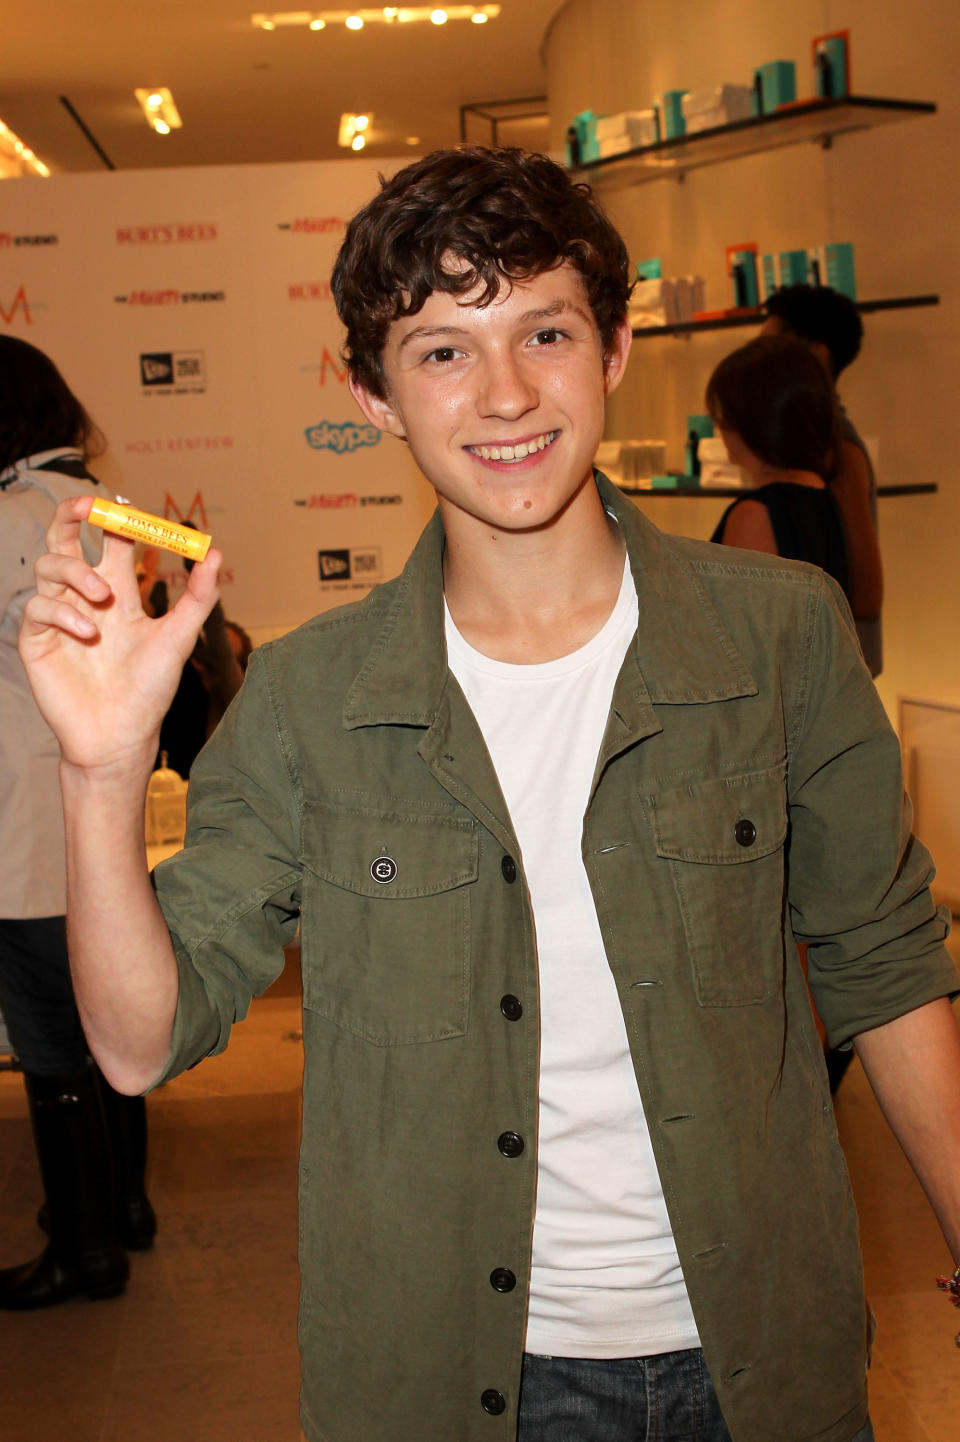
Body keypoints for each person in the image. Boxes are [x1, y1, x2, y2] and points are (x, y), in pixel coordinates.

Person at [17, 148, 960, 1442]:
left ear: (615, 347)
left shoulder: (778, 639)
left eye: (545, 330)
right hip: (454, 1381)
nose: (506, 392)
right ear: (375, 392)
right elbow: (135, 1040)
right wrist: (102, 767)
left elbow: (887, 961)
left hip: (759, 1359)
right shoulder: (309, 699)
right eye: (444, 350)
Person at [0, 335, 155, 1311]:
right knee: (109, 1029)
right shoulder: (103, 507)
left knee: (55, 1041)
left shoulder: (13, 511)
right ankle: (120, 1203)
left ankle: (87, 1247)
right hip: (93, 815)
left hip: (25, 831)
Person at [761, 283, 884, 675]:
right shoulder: (807, 447)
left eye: (770, 350)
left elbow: (866, 595)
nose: (758, 364)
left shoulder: (838, 450)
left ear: (816, 354)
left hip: (833, 680)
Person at [707, 334, 849, 590]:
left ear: (751, 421)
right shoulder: (823, 497)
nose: (719, 427)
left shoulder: (755, 515)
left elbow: (739, 622)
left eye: (725, 415)